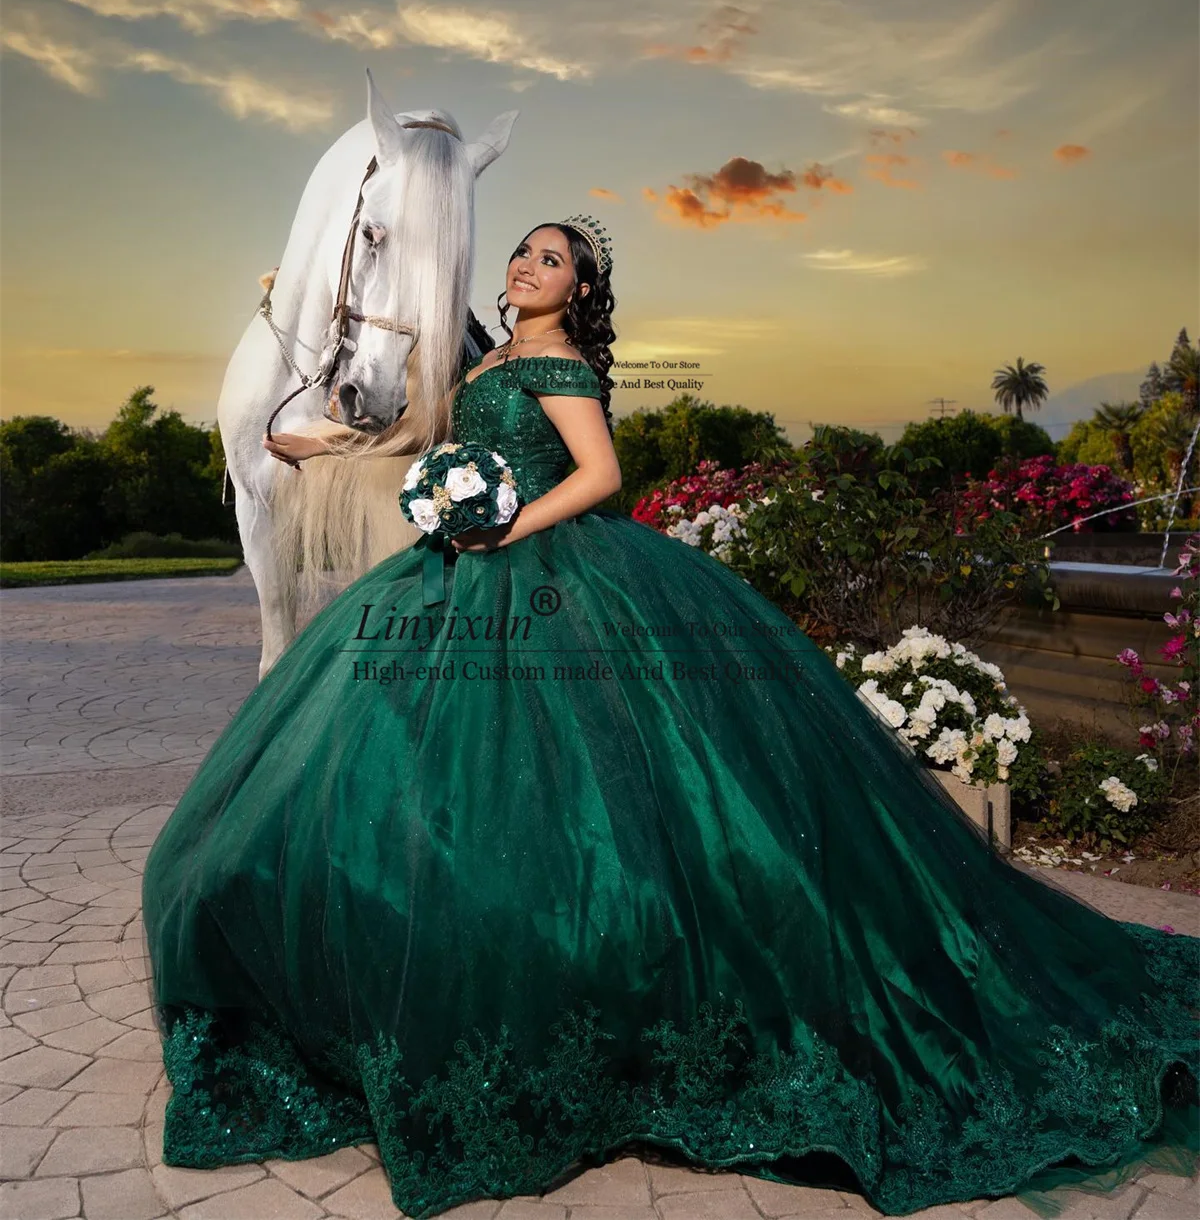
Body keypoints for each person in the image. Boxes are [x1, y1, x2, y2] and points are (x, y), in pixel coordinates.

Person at [142, 216, 1198, 1220]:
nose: (523, 267)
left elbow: (602, 475)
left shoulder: (561, 368)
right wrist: (310, 443)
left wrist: (505, 527)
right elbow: (415, 434)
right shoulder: (478, 367)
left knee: (583, 797)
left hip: (555, 575)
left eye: (548, 260)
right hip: (451, 577)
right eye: (520, 252)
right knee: (400, 780)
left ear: (580, 289)